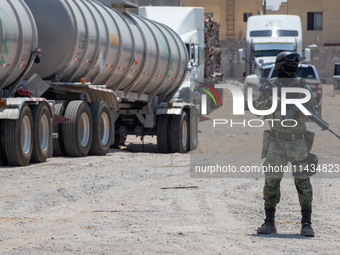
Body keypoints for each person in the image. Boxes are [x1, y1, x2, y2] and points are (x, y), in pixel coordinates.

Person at [254, 52, 318, 237]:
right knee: (271, 181)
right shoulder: (270, 86)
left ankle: (306, 223)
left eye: (296, 64)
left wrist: (305, 112)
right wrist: (270, 101)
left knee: (303, 182)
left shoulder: (302, 85)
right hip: (276, 140)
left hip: (297, 141)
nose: (294, 67)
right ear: (281, 65)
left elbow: (313, 109)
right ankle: (269, 222)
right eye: (291, 64)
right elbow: (257, 109)